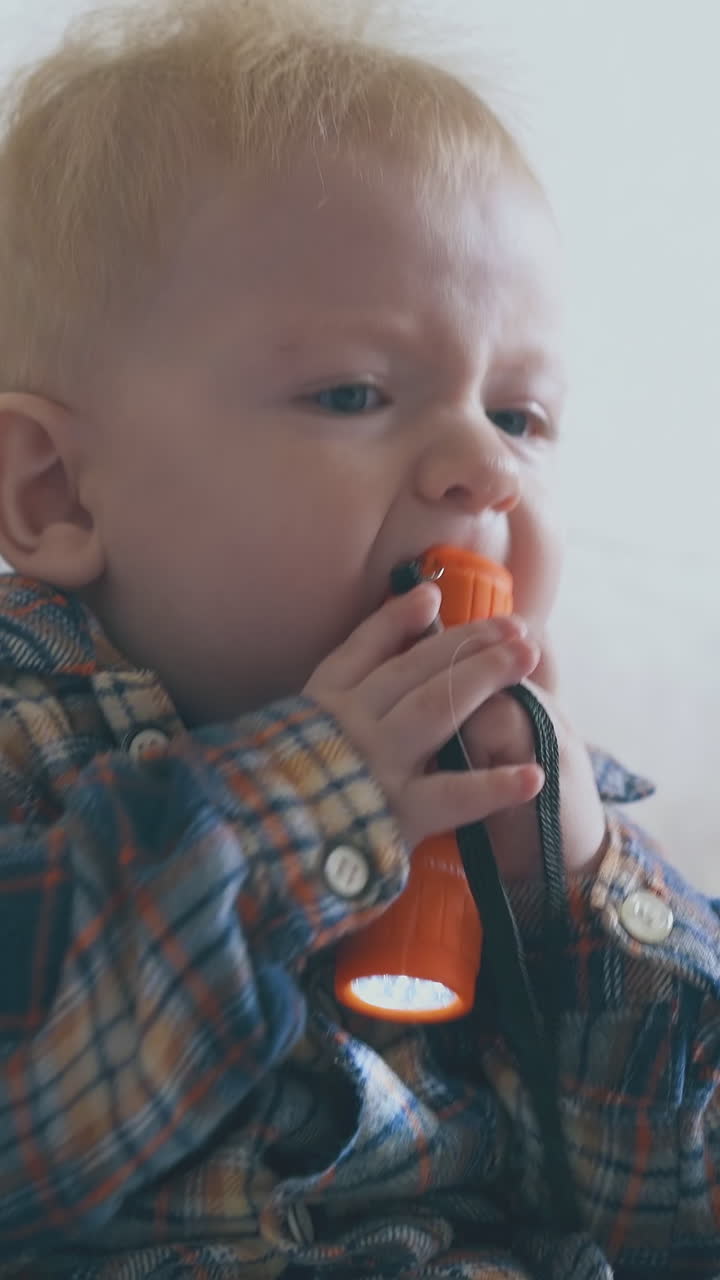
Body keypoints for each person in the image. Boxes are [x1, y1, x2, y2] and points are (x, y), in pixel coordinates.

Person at [0, 1, 717, 1276]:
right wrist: (306, 804)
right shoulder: (25, 721)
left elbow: (673, 1211)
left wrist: (575, 904)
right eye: (353, 393)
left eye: (522, 413)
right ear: (54, 493)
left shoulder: (536, 800)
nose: (482, 467)